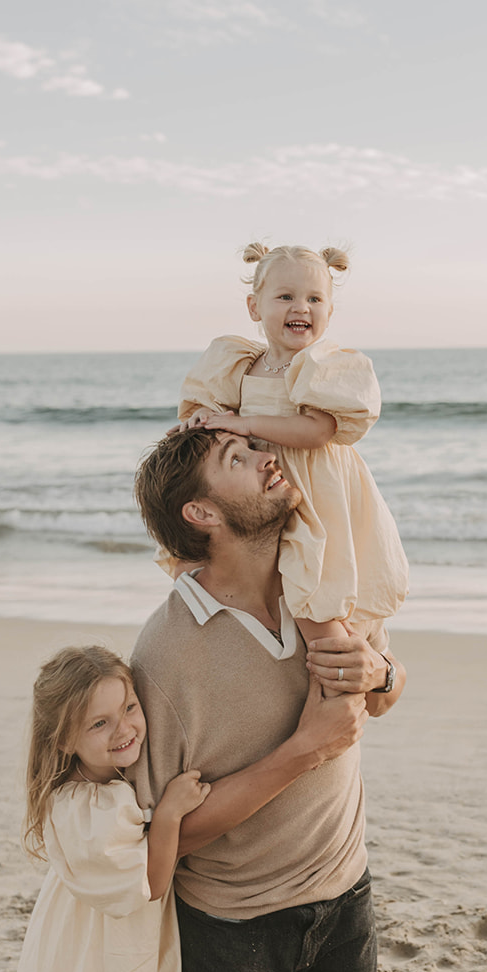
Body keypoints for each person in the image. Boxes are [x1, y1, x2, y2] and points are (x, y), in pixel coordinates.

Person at [128, 422, 406, 972]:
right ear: (203, 514)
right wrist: (303, 750)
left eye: (254, 447)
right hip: (229, 927)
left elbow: (384, 686)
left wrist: (380, 676)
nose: (265, 456)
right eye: (237, 458)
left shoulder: (318, 582)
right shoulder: (165, 655)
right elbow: (167, 833)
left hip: (342, 900)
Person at [10, 643, 365, 972]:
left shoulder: (108, 777)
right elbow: (151, 884)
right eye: (99, 724)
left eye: (130, 708)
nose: (124, 729)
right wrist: (170, 815)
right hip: (111, 926)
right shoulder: (89, 814)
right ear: (62, 739)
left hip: (117, 916)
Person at [165, 241, 408, 691]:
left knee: (311, 586)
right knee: (199, 563)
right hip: (256, 488)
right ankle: (199, 651)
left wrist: (245, 421)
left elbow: (317, 430)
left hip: (311, 495)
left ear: (330, 313)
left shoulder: (321, 366)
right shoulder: (239, 363)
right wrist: (201, 420)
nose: (302, 307)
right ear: (254, 307)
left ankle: (340, 677)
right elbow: (208, 413)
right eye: (286, 297)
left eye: (315, 299)